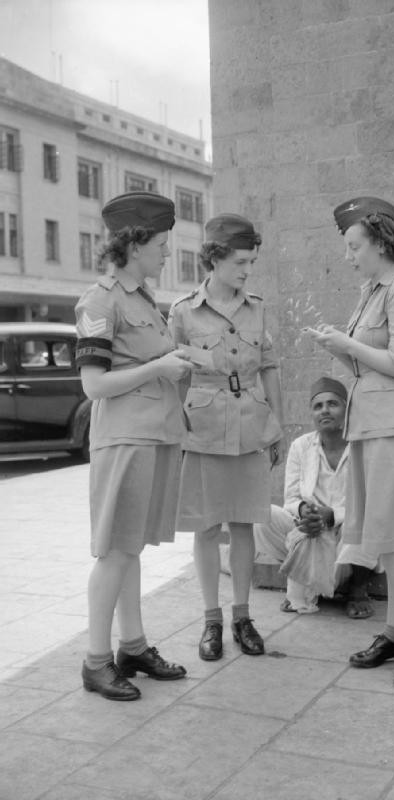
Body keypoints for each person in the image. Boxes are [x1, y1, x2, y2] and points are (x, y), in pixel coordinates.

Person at [307, 197, 394, 689]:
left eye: (354, 245)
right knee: (382, 539)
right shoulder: (372, 291)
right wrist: (338, 350)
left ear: (381, 242)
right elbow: (368, 367)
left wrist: (348, 345)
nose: (349, 255)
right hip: (375, 424)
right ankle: (392, 634)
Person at [75, 191, 191, 701]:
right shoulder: (100, 301)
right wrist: (160, 368)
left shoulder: (141, 299)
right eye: (163, 244)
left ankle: (134, 646)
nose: (168, 253)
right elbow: (94, 386)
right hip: (124, 441)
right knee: (114, 553)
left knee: (130, 548)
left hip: (152, 437)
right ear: (137, 243)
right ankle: (96, 661)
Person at [168, 213, 284, 662]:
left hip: (251, 425)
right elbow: (174, 378)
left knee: (243, 524)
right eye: (239, 261)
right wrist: (176, 434)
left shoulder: (257, 306)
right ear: (213, 258)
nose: (246, 270)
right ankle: (211, 619)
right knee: (206, 526)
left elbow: (270, 366)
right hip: (203, 429)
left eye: (251, 262)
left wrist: (277, 423)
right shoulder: (182, 312)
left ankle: (242, 616)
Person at [254, 376, 378, 616]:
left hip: (347, 537)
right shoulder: (301, 446)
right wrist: (305, 513)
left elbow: (372, 501)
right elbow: (290, 499)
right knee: (262, 515)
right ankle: (308, 573)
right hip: (310, 529)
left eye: (333, 404)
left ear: (346, 409)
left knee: (366, 522)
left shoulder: (363, 447)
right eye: (318, 406)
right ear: (311, 413)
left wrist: (331, 517)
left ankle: (357, 589)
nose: (325, 411)